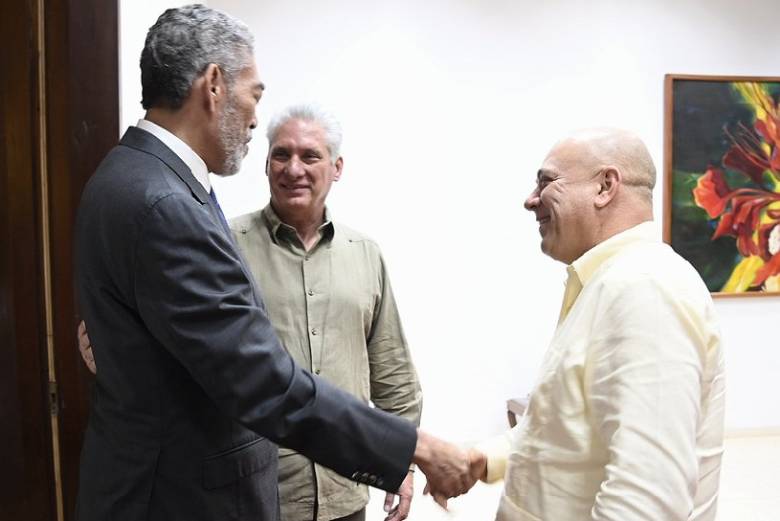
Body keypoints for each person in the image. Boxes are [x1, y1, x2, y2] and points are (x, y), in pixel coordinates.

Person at [73, 5, 475, 521]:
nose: (256, 116)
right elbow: (261, 378)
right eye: (254, 93)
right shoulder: (164, 204)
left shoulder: (133, 176)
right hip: (178, 498)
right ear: (214, 84)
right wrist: (416, 449)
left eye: (312, 157)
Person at [78, 104, 422, 521]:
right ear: (265, 165)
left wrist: (401, 460)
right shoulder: (220, 244)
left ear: (337, 167)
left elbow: (391, 371)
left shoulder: (364, 254)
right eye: (281, 154)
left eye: (310, 156)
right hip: (259, 492)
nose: (293, 168)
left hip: (345, 492)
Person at [471, 128, 726, 520]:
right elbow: (563, 424)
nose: (530, 200)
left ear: (605, 186)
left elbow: (645, 498)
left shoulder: (645, 288)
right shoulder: (610, 281)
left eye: (546, 181)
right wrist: (482, 459)